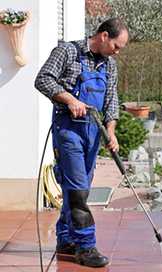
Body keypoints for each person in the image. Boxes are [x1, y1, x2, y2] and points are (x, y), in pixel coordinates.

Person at [35, 18, 128, 267]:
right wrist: (69, 100)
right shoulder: (67, 51)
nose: (117, 52)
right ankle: (85, 247)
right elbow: (43, 79)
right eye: (117, 46)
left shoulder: (110, 65)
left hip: (94, 132)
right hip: (69, 130)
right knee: (77, 189)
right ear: (104, 36)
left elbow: (111, 101)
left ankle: (65, 239)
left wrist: (111, 132)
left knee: (79, 187)